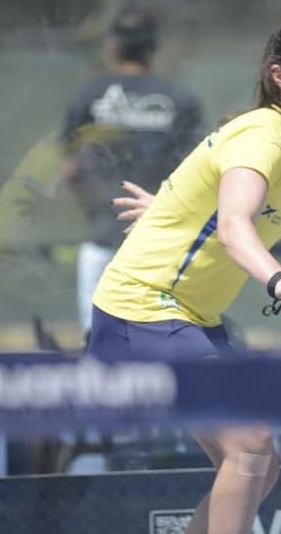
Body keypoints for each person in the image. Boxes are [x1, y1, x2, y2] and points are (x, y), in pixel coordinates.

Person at [86, 14, 281, 532]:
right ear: (280, 75)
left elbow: (211, 197)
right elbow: (232, 224)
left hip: (189, 315)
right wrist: (280, 280)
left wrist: (169, 209)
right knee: (249, 443)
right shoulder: (264, 138)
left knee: (261, 464)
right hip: (143, 308)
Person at [61, 2, 205, 342]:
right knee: (160, 341)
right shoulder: (180, 100)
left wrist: (98, 208)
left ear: (112, 45)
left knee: (96, 343)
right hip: (160, 243)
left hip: (101, 236)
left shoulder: (87, 97)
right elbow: (199, 173)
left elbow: (70, 169)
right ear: (153, 47)